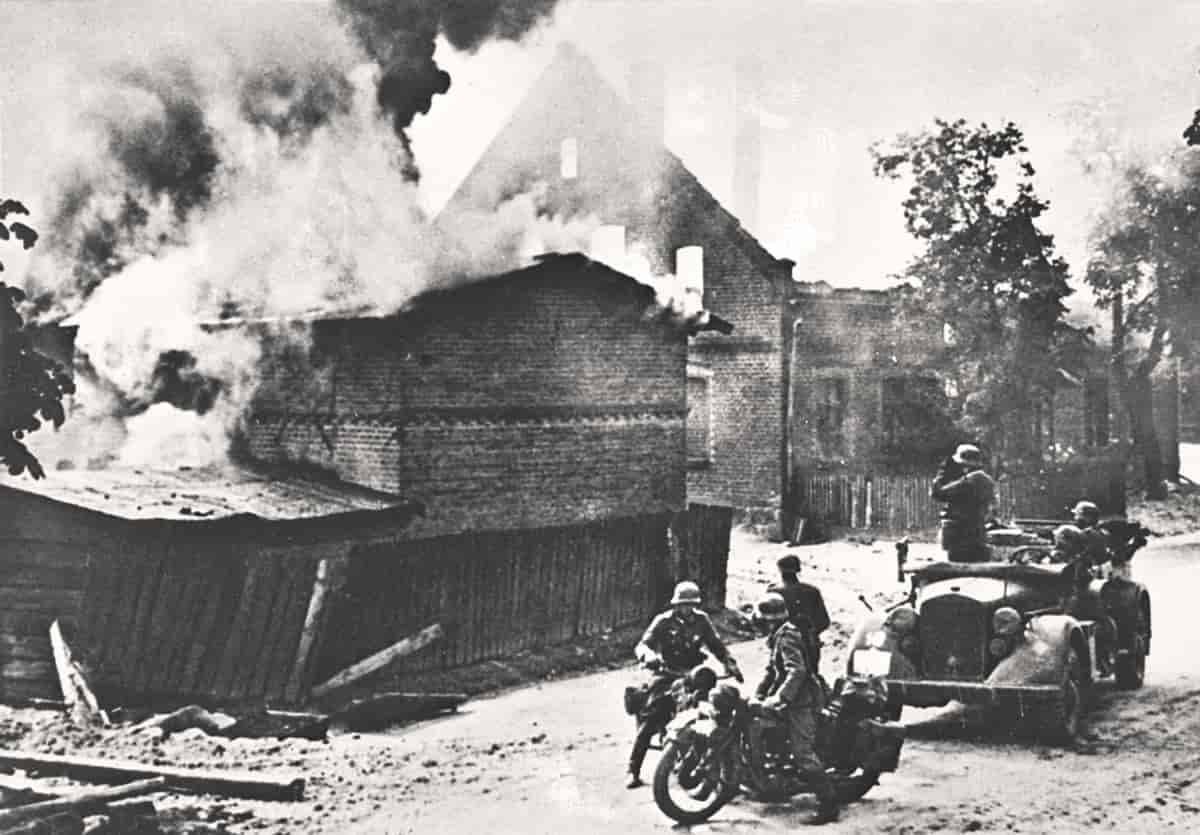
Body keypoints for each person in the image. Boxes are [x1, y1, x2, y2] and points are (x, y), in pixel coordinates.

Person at [625, 580, 743, 789]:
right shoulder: (663, 621)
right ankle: (633, 770)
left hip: (695, 674)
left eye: (691, 604)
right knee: (653, 718)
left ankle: (708, 765)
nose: (687, 608)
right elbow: (642, 645)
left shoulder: (702, 620)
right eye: (683, 604)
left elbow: (717, 645)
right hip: (668, 673)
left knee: (711, 713)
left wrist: (730, 663)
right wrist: (649, 656)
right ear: (676, 604)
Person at [754, 591, 840, 825]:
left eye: (762, 619)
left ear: (770, 619)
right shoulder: (778, 635)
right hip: (793, 698)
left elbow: (797, 670)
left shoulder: (788, 636)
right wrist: (759, 694)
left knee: (803, 753)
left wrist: (780, 697)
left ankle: (829, 804)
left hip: (802, 701)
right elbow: (773, 670)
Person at [931, 444, 996, 563]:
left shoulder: (969, 481)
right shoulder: (986, 481)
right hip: (978, 535)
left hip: (959, 536)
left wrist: (942, 471)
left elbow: (937, 493)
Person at [768, 554, 831, 674]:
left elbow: (766, 622)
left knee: (778, 677)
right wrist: (809, 633)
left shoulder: (773, 592)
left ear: (779, 570)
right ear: (798, 570)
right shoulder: (812, 591)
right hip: (809, 644)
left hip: (780, 644)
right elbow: (824, 622)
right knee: (811, 680)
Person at [1071, 500, 1111, 568]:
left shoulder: (1088, 534)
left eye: (1077, 515)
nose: (1075, 518)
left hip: (1090, 569)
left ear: (1087, 517)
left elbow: (1076, 554)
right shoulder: (1102, 532)